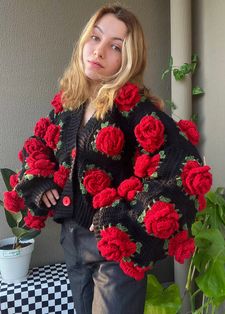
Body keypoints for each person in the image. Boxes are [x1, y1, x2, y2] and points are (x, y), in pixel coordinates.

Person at [7, 4, 212, 314]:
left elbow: (183, 168)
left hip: (113, 255)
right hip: (72, 241)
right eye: (95, 37)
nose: (99, 51)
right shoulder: (68, 105)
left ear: (128, 59)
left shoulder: (133, 109)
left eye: (115, 46)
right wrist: (38, 181)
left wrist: (124, 222)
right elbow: (37, 148)